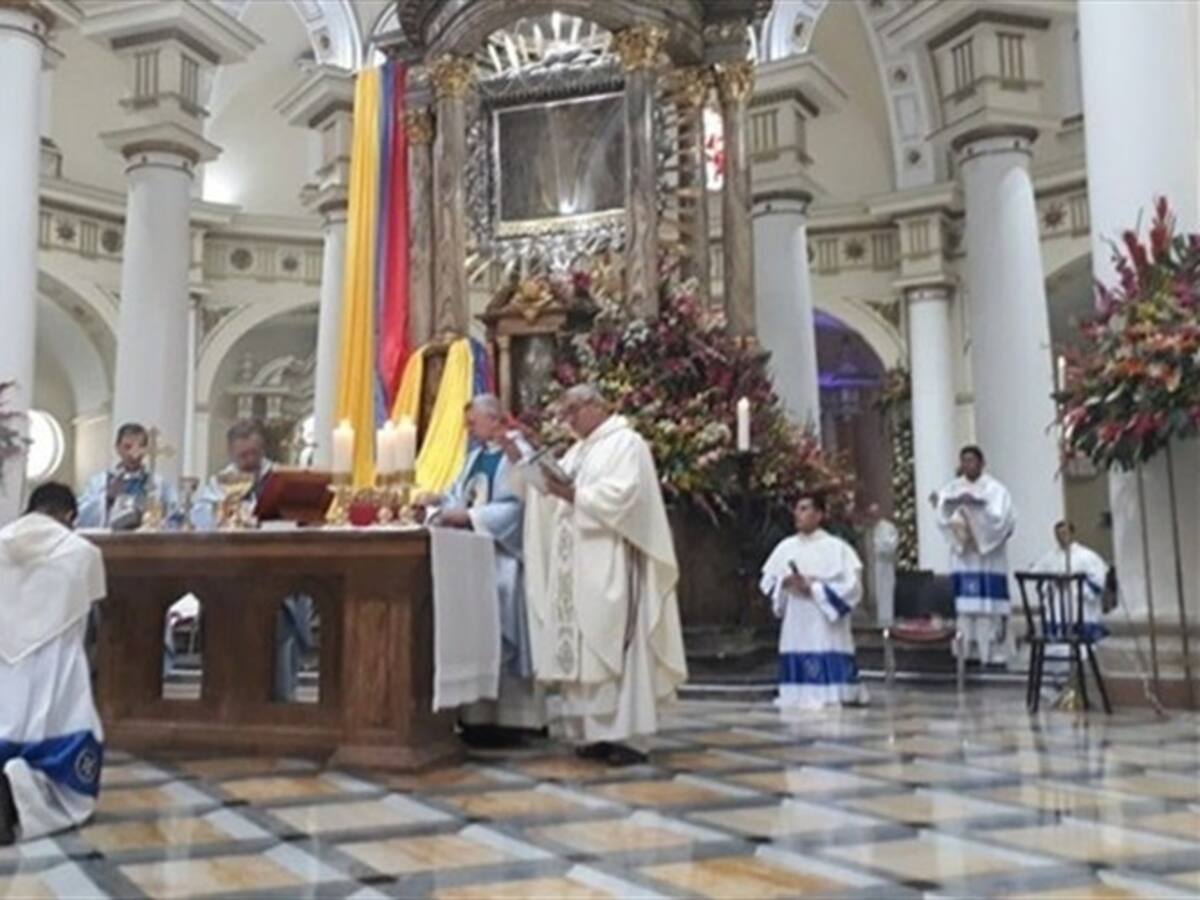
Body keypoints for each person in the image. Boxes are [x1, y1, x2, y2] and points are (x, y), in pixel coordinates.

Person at [521, 384, 687, 767]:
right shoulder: (578, 450)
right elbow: (559, 497)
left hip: (611, 560)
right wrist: (542, 489)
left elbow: (624, 496)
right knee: (580, 647)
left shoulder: (626, 443)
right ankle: (592, 734)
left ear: (597, 406)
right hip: (574, 564)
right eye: (565, 412)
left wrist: (572, 495)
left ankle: (627, 736)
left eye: (573, 410)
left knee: (613, 644)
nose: (568, 419)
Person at [423, 395, 544, 746]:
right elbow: (459, 497)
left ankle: (513, 718)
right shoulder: (475, 456)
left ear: (494, 419)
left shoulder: (516, 453)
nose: (469, 428)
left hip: (504, 558)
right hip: (472, 559)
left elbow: (520, 507)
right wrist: (438, 502)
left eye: (473, 422)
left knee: (503, 621)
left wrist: (472, 517)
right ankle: (476, 716)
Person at [0, 483, 106, 845]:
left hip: (3, 670)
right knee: (67, 763)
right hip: (56, 666)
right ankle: (22, 797)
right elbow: (92, 608)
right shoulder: (83, 552)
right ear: (69, 516)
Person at [191, 421, 314, 701]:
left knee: (279, 642)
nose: (249, 461)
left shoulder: (281, 478)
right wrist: (228, 511)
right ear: (231, 453)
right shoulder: (219, 483)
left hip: (277, 575)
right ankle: (228, 699)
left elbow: (300, 515)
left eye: (254, 454)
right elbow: (201, 519)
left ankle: (282, 702)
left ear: (262, 449)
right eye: (242, 455)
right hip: (231, 578)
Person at [760, 492, 868, 710]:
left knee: (823, 643)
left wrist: (815, 587)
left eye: (804, 509)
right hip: (797, 613)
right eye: (797, 509)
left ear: (819, 515)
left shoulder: (837, 548)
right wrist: (786, 582)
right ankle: (797, 693)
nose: (797, 514)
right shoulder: (785, 547)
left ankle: (832, 692)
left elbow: (852, 587)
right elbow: (768, 582)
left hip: (822, 616)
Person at [936, 445, 1017, 666]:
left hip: (987, 558)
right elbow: (942, 517)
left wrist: (976, 517)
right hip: (964, 556)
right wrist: (958, 519)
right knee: (964, 609)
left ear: (981, 463)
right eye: (964, 461)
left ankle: (990, 653)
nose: (967, 465)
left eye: (972, 461)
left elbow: (1003, 521)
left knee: (986, 609)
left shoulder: (996, 490)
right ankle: (964, 653)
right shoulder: (951, 489)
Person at [77, 422, 178, 529]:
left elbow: (173, 515)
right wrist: (107, 498)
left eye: (140, 447)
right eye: (127, 447)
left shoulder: (159, 484)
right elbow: (82, 516)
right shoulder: (100, 482)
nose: (133, 453)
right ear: (117, 448)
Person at [1032, 521, 1112, 642]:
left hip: (1079, 600)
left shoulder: (1087, 555)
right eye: (1057, 534)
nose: (1061, 537)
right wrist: (1053, 583)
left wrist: (1075, 585)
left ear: (1072, 534)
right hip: (1057, 600)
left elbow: (1098, 580)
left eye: (1064, 533)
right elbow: (1035, 574)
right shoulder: (1050, 557)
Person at [864, 502, 899, 627]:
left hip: (885, 564)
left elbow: (891, 544)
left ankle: (886, 620)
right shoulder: (869, 529)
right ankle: (875, 618)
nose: (873, 516)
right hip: (872, 566)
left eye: (875, 513)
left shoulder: (888, 527)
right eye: (871, 514)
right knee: (875, 591)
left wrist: (880, 548)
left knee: (885, 591)